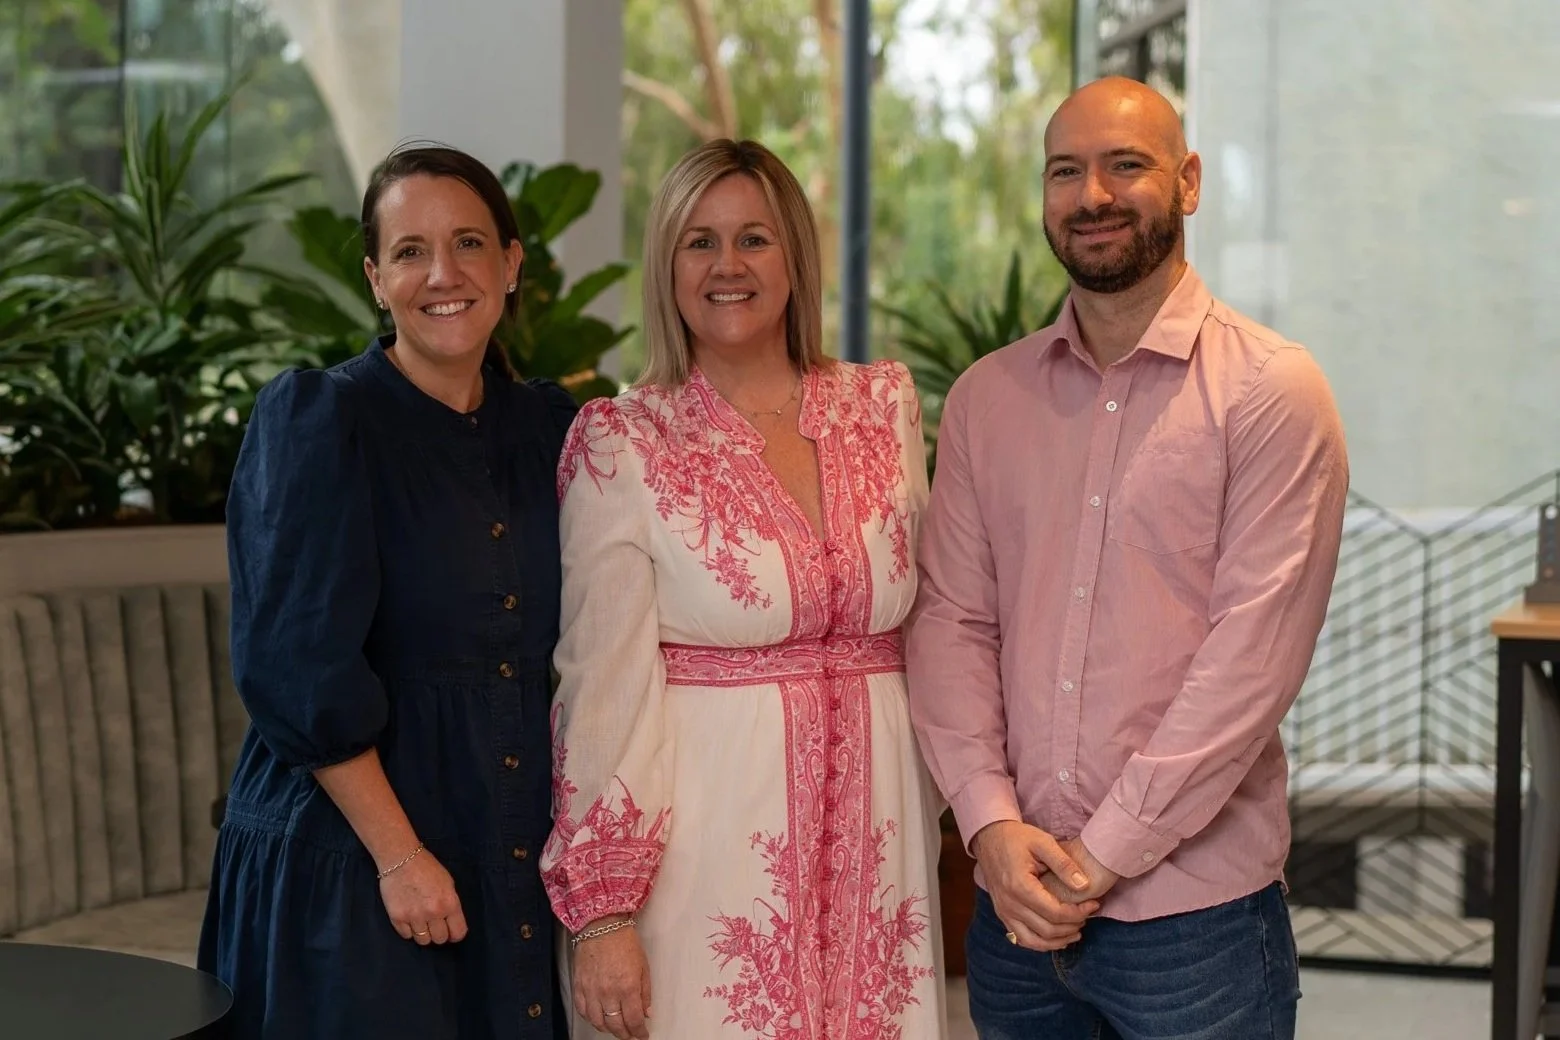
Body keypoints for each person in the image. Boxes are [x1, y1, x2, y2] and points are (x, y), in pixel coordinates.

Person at [905, 76, 1349, 1040]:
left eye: (1126, 165)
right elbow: (951, 621)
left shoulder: (1272, 391)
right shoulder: (988, 400)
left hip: (1198, 928)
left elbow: (1249, 665)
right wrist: (986, 827)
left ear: (1188, 182)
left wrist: (1104, 853)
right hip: (1015, 918)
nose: (1092, 195)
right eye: (1067, 171)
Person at [542, 138, 947, 1040]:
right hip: (710, 860)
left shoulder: (884, 406)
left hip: (881, 857)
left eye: (754, 238)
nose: (728, 265)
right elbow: (599, 688)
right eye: (699, 242)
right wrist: (604, 914)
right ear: (668, 266)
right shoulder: (621, 440)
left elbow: (939, 625)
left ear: (795, 256)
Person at [199, 145, 576, 1038]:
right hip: (354, 851)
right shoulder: (319, 422)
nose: (442, 275)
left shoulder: (556, 429)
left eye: (470, 244)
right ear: (375, 278)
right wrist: (400, 856)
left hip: (503, 837)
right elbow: (296, 670)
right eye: (409, 252)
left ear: (513, 264)